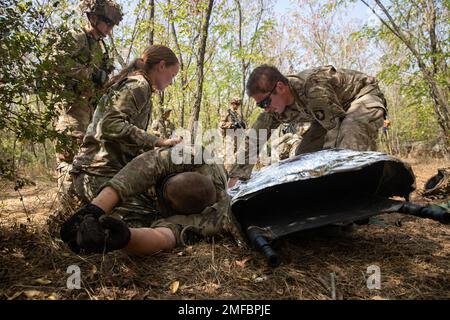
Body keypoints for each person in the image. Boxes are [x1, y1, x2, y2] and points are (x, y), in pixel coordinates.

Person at [69, 45, 183, 223]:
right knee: (151, 217)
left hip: (100, 172)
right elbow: (110, 125)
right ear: (161, 66)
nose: (171, 81)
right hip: (96, 174)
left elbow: (123, 136)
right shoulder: (139, 85)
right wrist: (158, 141)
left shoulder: (138, 85)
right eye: (172, 75)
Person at [228, 64, 387, 187]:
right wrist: (236, 177)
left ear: (280, 87)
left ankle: (353, 197)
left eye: (265, 102)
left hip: (361, 97)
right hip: (331, 114)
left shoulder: (313, 88)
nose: (265, 108)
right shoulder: (274, 107)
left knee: (349, 139)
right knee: (303, 156)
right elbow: (256, 136)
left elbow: (334, 132)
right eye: (260, 105)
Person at [60, 147, 237, 255]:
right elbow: (149, 164)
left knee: (132, 216)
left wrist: (124, 238)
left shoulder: (212, 221)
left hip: (168, 211)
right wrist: (94, 209)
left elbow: (164, 237)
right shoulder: (198, 156)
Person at [53, 0, 123, 199]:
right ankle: (63, 216)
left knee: (86, 162)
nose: (109, 29)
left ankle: (78, 211)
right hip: (72, 111)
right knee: (69, 160)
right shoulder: (76, 37)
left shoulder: (100, 47)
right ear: (93, 18)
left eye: (112, 25)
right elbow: (56, 62)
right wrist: (90, 73)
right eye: (107, 23)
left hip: (91, 112)